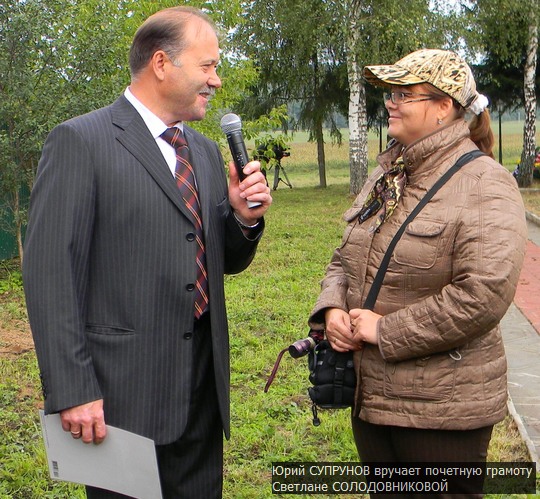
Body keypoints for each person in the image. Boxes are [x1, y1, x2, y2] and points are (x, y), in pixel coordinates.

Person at [23, 6, 272, 498]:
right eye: (207, 67)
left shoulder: (201, 150)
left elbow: (220, 260)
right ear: (161, 63)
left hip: (201, 390)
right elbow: (50, 274)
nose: (216, 81)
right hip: (121, 397)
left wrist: (242, 218)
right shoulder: (81, 141)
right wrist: (73, 389)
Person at [309, 49, 527, 496]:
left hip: (442, 414)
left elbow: (483, 295)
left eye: (405, 93)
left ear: (444, 107)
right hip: (372, 400)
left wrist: (385, 330)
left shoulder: (486, 184)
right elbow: (345, 256)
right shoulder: (387, 175)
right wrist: (332, 309)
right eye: (391, 92)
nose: (391, 102)